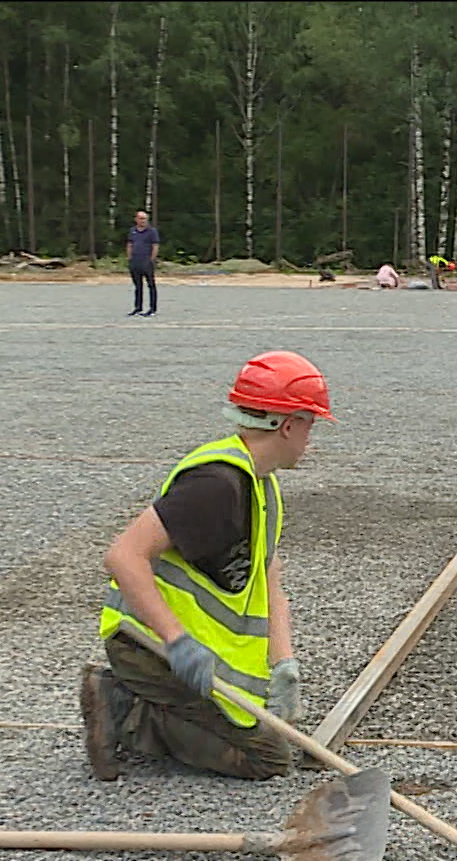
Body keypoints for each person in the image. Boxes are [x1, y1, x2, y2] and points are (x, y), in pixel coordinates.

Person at [81, 351, 335, 781]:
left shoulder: (260, 484)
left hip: (189, 650)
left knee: (273, 745)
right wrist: (177, 642)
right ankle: (124, 705)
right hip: (148, 646)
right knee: (267, 761)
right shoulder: (215, 486)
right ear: (288, 424)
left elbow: (267, 578)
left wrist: (283, 662)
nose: (311, 437)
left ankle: (147, 702)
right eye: (310, 423)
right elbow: (123, 556)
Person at [126, 210, 161, 317]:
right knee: (138, 286)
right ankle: (138, 307)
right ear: (136, 219)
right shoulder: (132, 231)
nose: (143, 221)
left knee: (151, 285)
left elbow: (155, 246)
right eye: (141, 218)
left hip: (146, 261)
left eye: (145, 218)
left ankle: (152, 308)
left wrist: (151, 259)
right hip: (135, 261)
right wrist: (129, 257)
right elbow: (130, 244)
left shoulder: (152, 231)